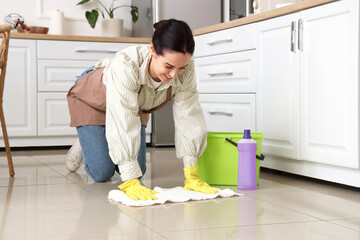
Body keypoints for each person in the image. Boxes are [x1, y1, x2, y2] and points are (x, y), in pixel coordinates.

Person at [66, 19, 217, 201]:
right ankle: (87, 138)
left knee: (138, 170)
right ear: (152, 49)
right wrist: (129, 181)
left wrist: (192, 173)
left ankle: (99, 136)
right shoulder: (127, 65)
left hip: (133, 106)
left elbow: (189, 114)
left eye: (181, 68)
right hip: (94, 99)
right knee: (102, 173)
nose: (173, 75)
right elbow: (123, 117)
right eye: (168, 66)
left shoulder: (187, 69)